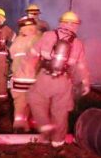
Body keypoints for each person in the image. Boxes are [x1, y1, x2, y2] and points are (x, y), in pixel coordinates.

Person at [27, 11, 90, 147]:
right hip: (63, 81)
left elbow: (33, 53)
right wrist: (85, 83)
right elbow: (81, 66)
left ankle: (45, 126)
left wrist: (29, 69)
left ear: (61, 23)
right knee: (60, 111)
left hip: (45, 77)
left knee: (35, 100)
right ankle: (58, 141)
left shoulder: (48, 35)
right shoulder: (78, 43)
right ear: (76, 25)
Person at [9, 15, 41, 131]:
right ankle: (34, 126)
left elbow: (12, 54)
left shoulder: (17, 40)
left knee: (20, 104)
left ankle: (19, 126)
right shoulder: (38, 39)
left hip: (19, 80)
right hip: (34, 79)